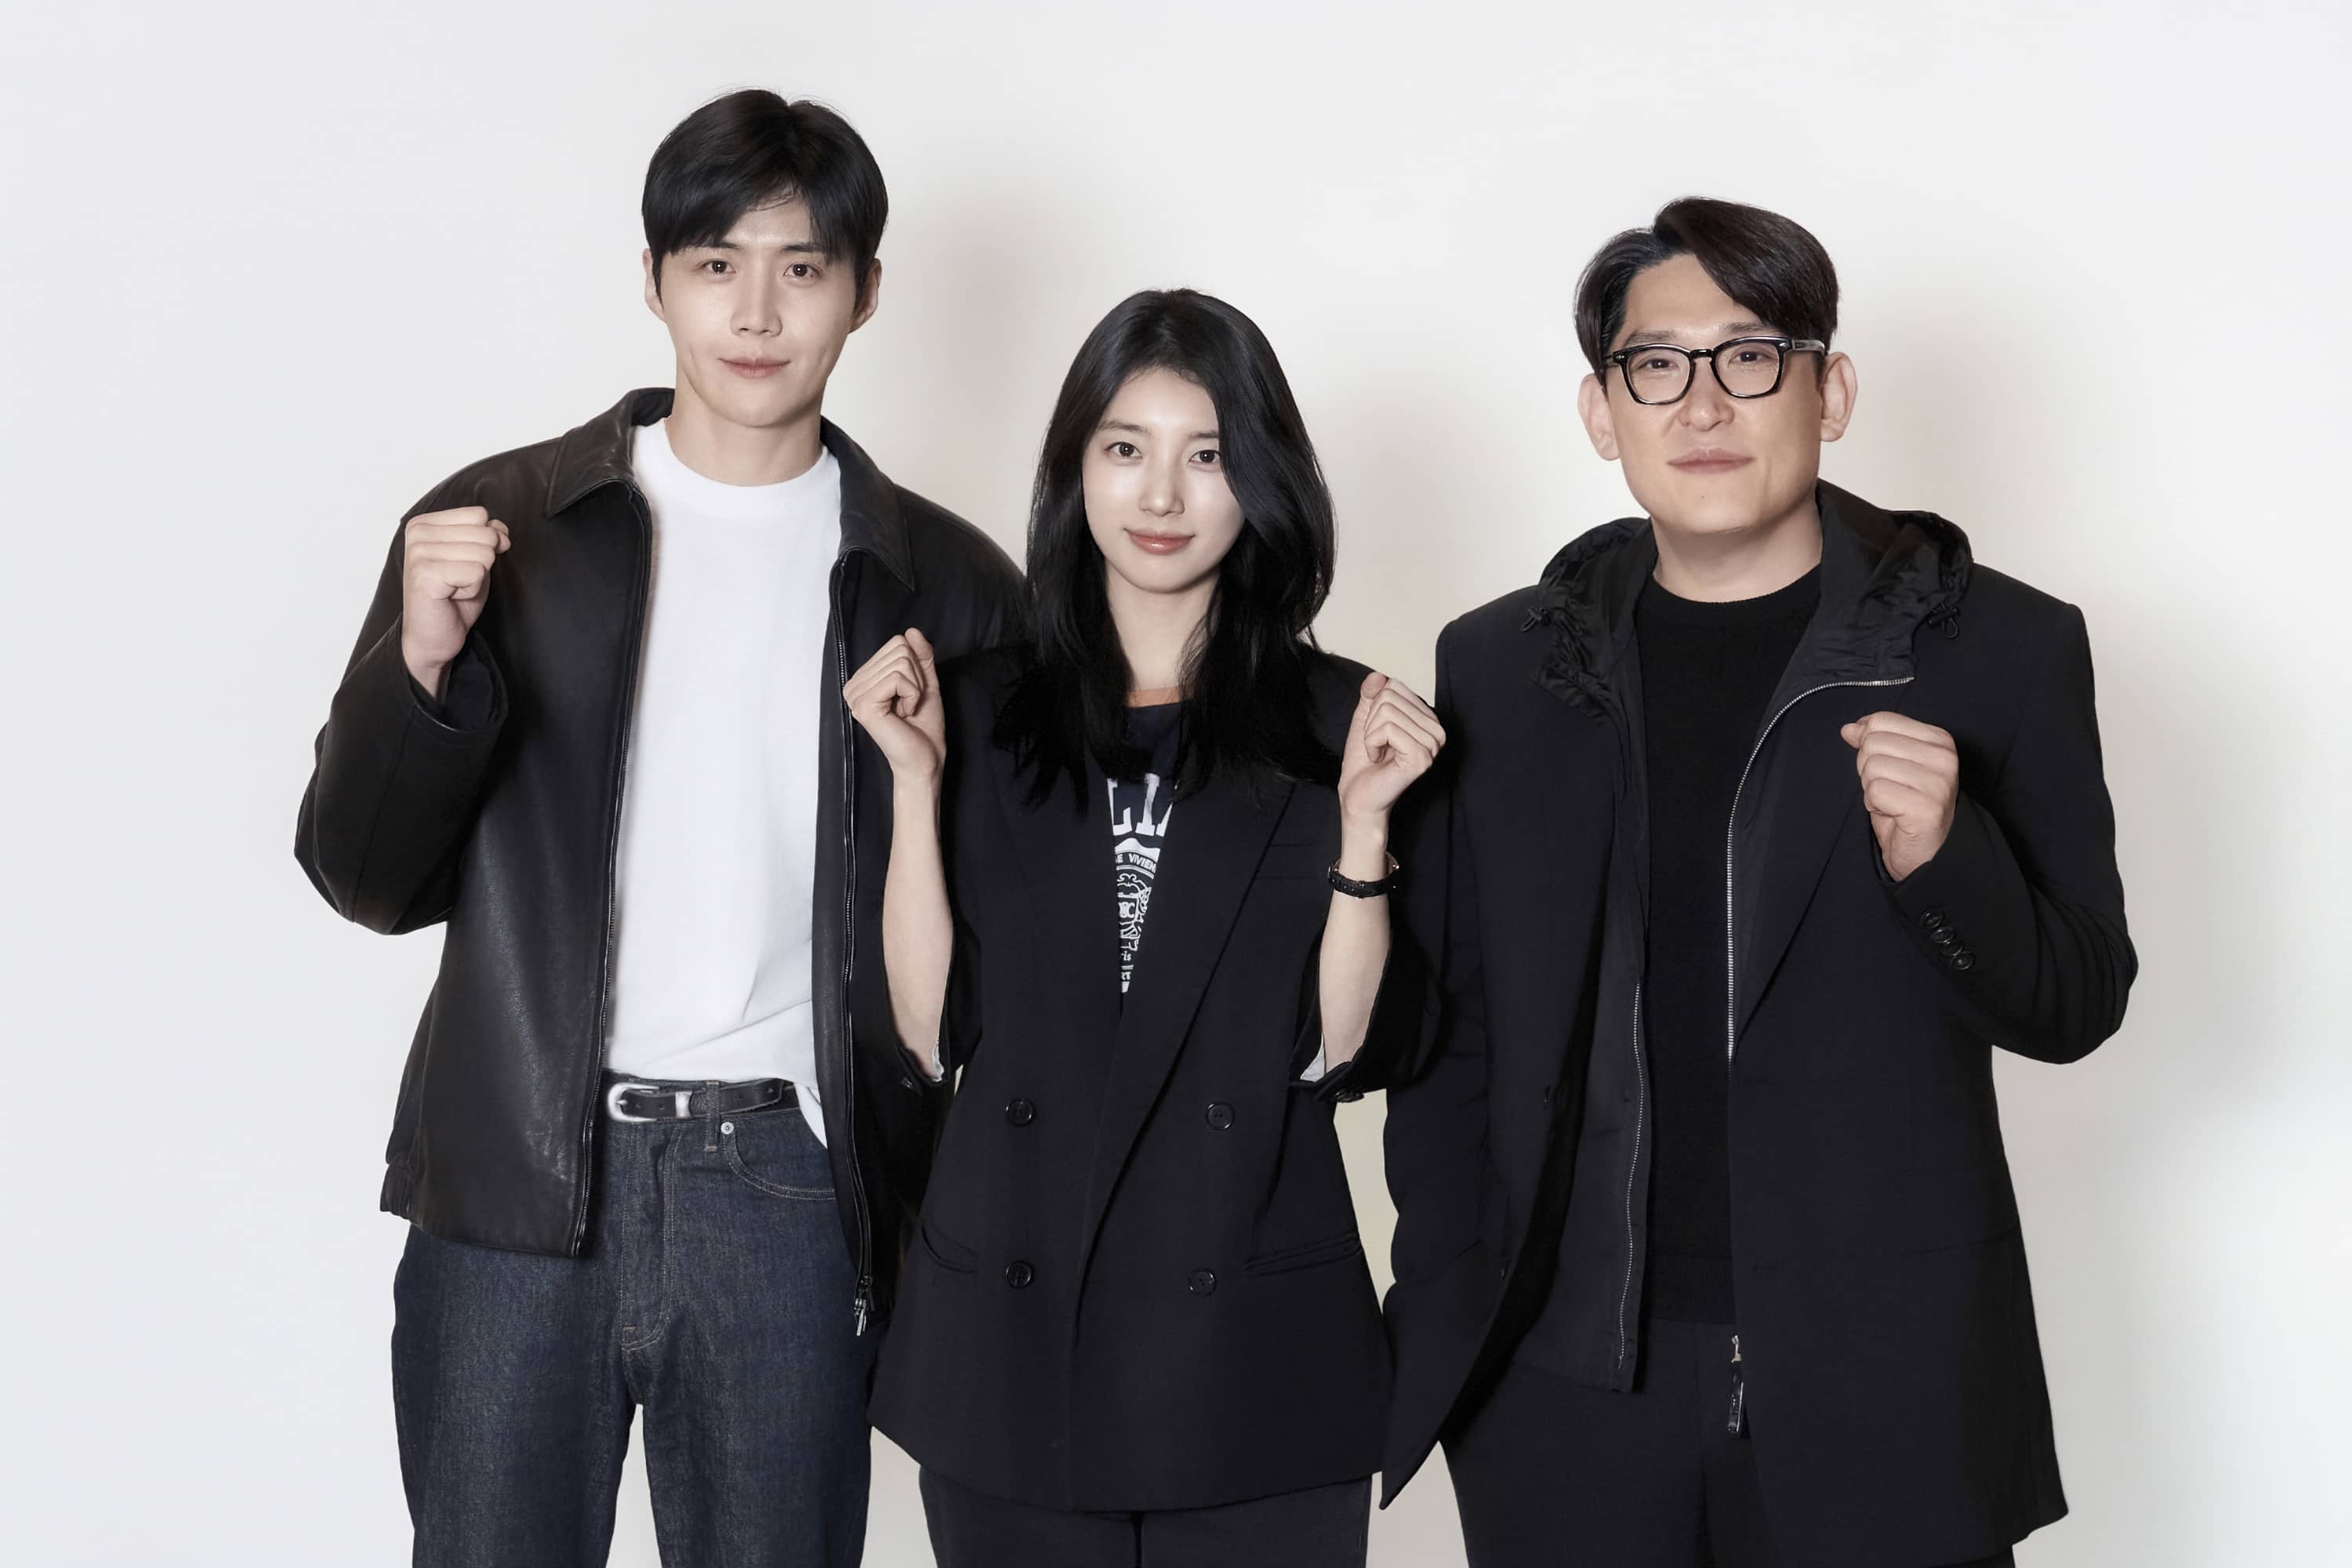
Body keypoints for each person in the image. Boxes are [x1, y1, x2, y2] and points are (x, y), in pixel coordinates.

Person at [292, 89, 1023, 1566]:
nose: (755, 312)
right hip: (515, 1183)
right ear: (652, 278)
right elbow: (366, 879)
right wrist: (423, 667)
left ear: (866, 292)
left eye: (802, 268)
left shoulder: (949, 588)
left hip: (791, 1190)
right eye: (713, 264)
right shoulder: (503, 530)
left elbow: (985, 968)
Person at [1380, 198, 2136, 1567]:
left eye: (1750, 357)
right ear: (1602, 412)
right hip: (1563, 1397)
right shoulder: (1501, 667)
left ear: (1829, 391)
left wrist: (1947, 860)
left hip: (1882, 1392)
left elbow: (2078, 1001)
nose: (1702, 403)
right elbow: (1455, 1033)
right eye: (1654, 365)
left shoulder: (1999, 649)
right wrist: (1454, 1311)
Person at [844, 289, 1444, 1566]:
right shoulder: (972, 710)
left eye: (1208, 454)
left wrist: (1363, 831)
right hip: (1010, 1340)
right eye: (1126, 447)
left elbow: (1339, 1056)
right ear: (1077, 468)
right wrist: (911, 784)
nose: (1162, 494)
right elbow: (928, 1037)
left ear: (1263, 481)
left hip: (1251, 1351)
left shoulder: (1346, 723)